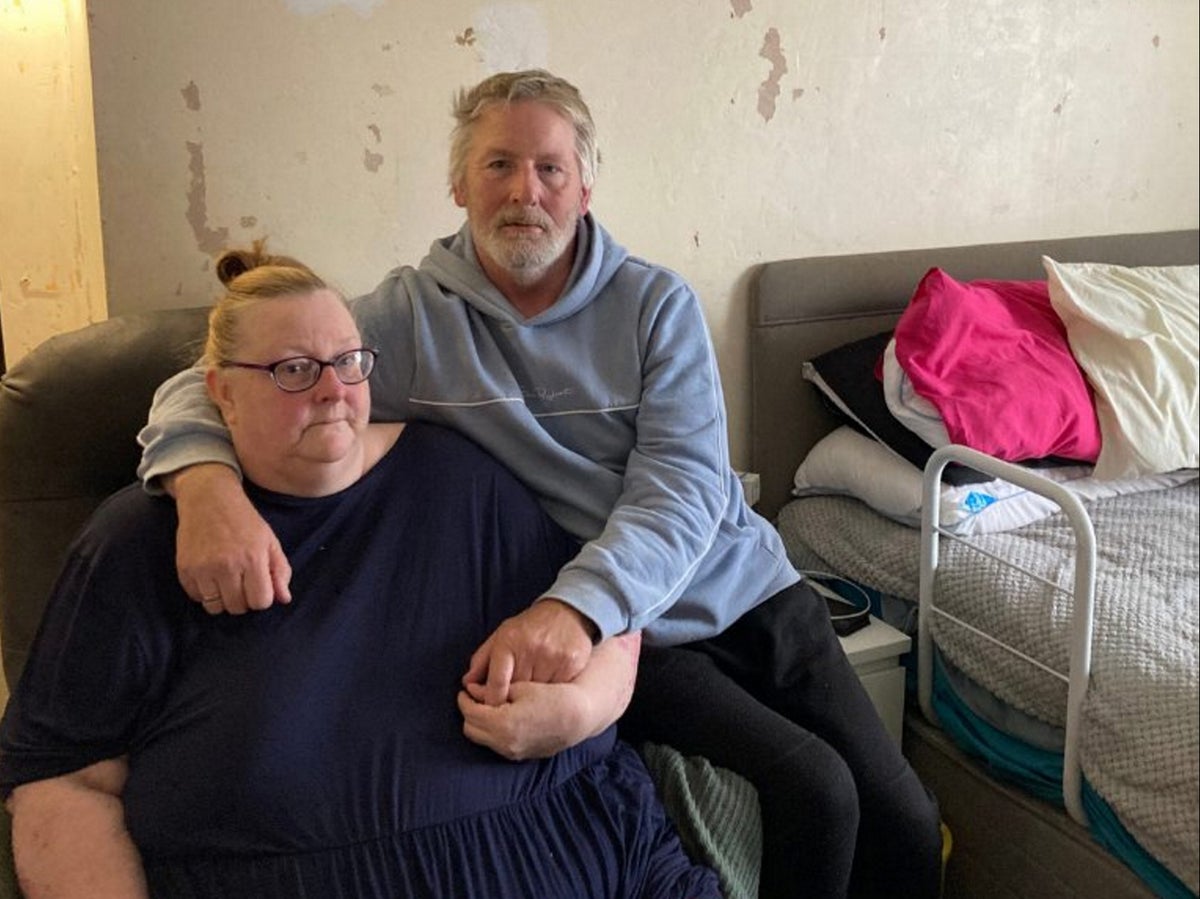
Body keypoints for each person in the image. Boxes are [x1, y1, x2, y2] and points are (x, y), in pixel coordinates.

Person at [137, 70, 944, 897]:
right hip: (637, 635)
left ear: (585, 189)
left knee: (907, 821)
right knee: (817, 791)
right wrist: (205, 487)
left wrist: (575, 606)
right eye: (499, 165)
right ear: (458, 183)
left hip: (744, 588)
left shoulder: (655, 304)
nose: (526, 191)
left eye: (550, 168)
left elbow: (684, 486)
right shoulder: (409, 321)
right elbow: (214, 382)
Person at [0, 246, 721, 899]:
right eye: (293, 370)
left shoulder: (458, 478)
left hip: (592, 848)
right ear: (219, 392)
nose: (332, 390)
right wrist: (204, 486)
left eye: (349, 362)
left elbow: (611, 623)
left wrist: (583, 710)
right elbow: (64, 782)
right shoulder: (141, 542)